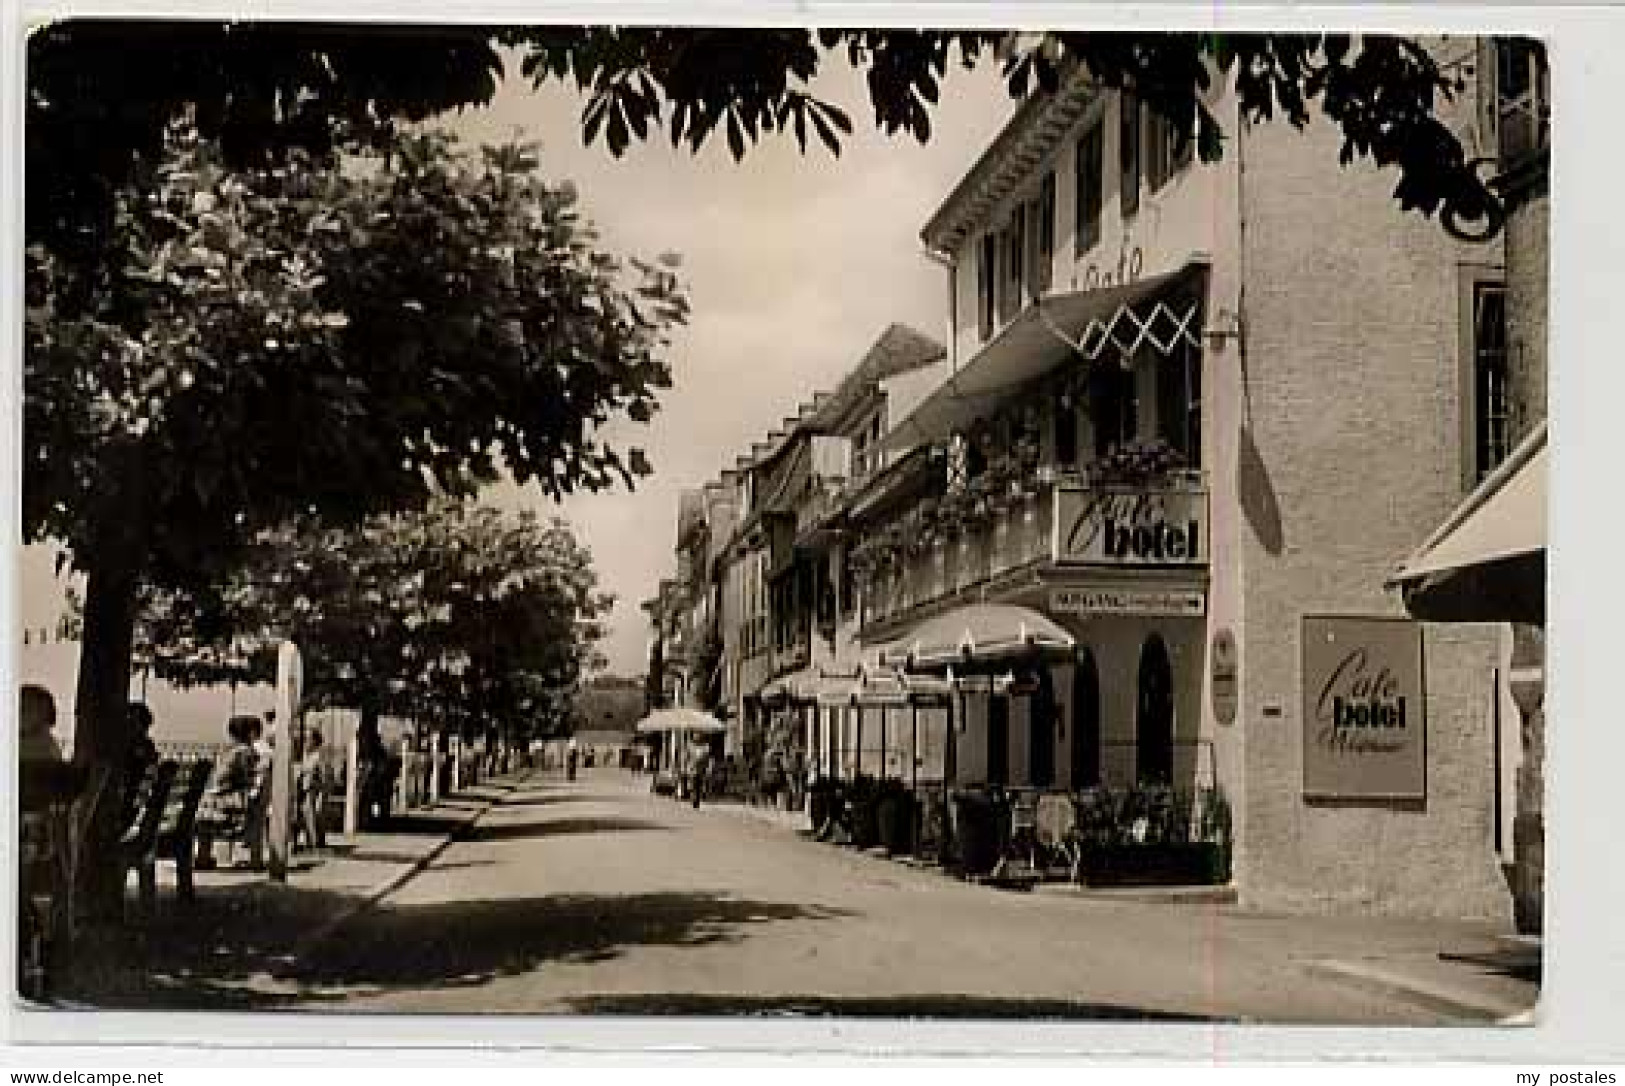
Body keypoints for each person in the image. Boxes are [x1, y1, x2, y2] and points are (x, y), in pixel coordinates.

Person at [193, 716, 261, 869]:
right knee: (255, 808)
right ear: (249, 733)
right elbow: (247, 778)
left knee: (204, 821)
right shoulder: (245, 751)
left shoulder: (226, 749)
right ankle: (247, 856)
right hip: (228, 800)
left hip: (211, 800)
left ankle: (203, 856)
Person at [121, 701, 162, 828]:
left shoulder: (134, 752)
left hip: (123, 813)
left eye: (129, 721)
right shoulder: (148, 750)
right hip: (132, 812)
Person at [297, 729, 329, 851]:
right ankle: (310, 842)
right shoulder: (304, 756)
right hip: (304, 790)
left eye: (308, 739)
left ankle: (315, 844)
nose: (305, 741)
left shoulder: (319, 756)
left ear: (315, 741)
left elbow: (324, 777)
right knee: (305, 818)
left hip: (314, 790)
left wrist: (322, 795)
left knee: (313, 818)